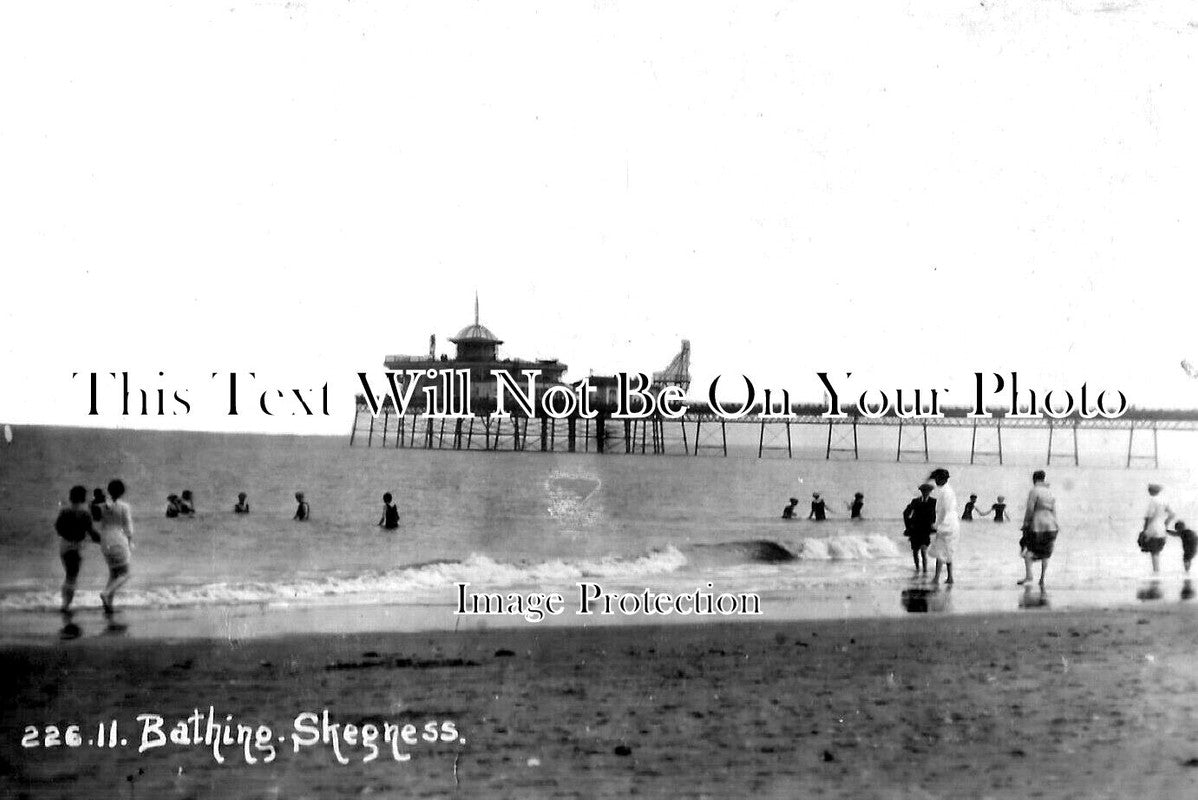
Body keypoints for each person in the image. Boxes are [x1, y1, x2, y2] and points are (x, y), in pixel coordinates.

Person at [54, 485, 101, 613]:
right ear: (83, 498)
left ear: (71, 497)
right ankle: (65, 606)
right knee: (71, 577)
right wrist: (104, 541)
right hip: (75, 547)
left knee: (70, 575)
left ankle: (65, 604)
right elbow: (92, 533)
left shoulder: (64, 510)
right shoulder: (85, 513)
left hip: (64, 545)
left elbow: (58, 528)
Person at [98, 479, 134, 615]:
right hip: (118, 539)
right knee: (125, 573)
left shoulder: (102, 506)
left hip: (105, 540)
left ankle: (108, 604)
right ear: (122, 492)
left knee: (113, 574)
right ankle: (106, 593)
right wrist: (130, 541)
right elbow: (128, 527)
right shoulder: (124, 506)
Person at [1018, 470, 1058, 586]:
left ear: (1034, 479)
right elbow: (1054, 510)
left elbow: (1030, 509)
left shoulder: (1034, 491)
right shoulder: (1050, 492)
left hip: (1038, 526)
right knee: (1046, 553)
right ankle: (1042, 578)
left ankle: (1029, 576)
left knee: (1028, 551)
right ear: (1044, 479)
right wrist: (1056, 525)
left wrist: (1026, 523)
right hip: (1051, 526)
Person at [926, 468, 960, 584]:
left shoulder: (945, 492)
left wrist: (937, 526)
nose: (935, 481)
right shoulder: (947, 490)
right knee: (948, 551)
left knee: (940, 551)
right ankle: (950, 577)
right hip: (952, 524)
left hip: (947, 524)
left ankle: (936, 578)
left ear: (942, 479)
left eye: (937, 479)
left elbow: (945, 512)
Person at [1138, 483, 1175, 574]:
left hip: (1152, 528)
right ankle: (1157, 571)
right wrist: (1166, 524)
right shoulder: (1164, 500)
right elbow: (1172, 515)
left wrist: (1144, 530)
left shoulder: (1153, 501)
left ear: (1151, 491)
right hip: (1161, 528)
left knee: (1153, 552)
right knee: (1157, 551)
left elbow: (1148, 517)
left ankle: (1156, 572)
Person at [903, 484, 936, 574]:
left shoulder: (934, 502)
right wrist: (908, 526)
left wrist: (935, 525)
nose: (925, 493)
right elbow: (905, 513)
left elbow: (939, 514)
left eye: (927, 491)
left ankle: (925, 570)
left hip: (926, 530)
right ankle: (917, 569)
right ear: (921, 492)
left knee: (923, 550)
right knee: (915, 551)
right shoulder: (915, 501)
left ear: (930, 492)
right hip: (915, 530)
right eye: (923, 491)